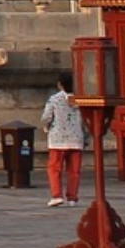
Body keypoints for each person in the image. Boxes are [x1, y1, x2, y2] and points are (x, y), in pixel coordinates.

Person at [39, 70, 84, 208]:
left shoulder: (55, 99)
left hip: (58, 138)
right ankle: (72, 197)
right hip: (76, 138)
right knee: (74, 171)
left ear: (60, 84)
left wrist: (46, 128)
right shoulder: (81, 99)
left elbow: (46, 117)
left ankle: (57, 195)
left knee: (54, 168)